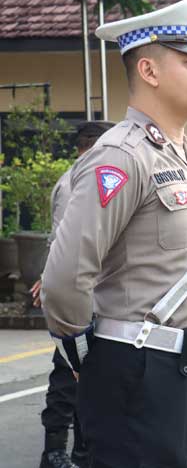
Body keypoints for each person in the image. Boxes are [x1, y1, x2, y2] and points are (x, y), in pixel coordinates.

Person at [41, 0, 187, 468]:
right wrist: (93, 361)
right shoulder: (121, 156)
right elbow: (65, 282)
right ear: (149, 71)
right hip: (140, 373)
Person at [33, 121, 113, 468]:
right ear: (95, 147)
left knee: (85, 378)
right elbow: (67, 245)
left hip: (91, 295)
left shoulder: (80, 178)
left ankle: (82, 449)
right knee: (67, 376)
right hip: (79, 297)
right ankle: (54, 452)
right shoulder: (75, 184)